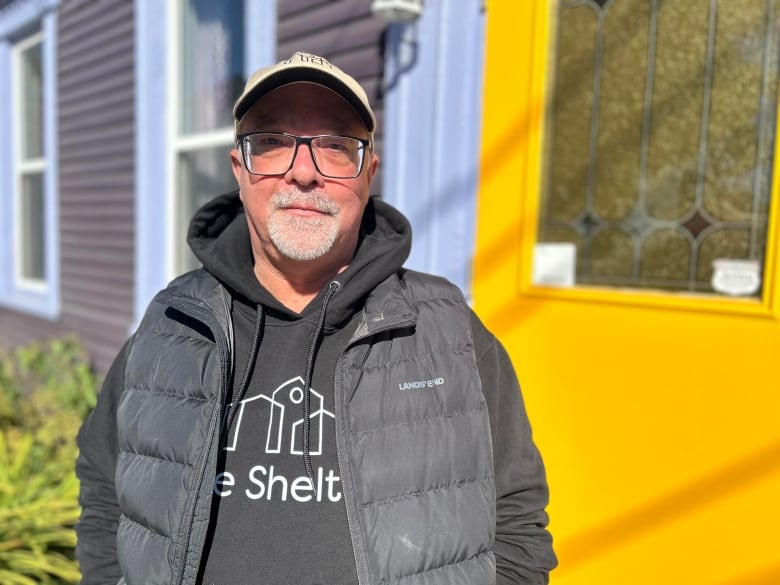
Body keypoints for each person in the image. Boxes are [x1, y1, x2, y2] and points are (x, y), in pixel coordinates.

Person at [75, 51, 557, 585]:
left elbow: (516, 524)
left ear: (368, 172)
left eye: (334, 146)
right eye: (273, 142)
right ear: (239, 168)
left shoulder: (449, 332)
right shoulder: (173, 322)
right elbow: (105, 487)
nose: (303, 172)